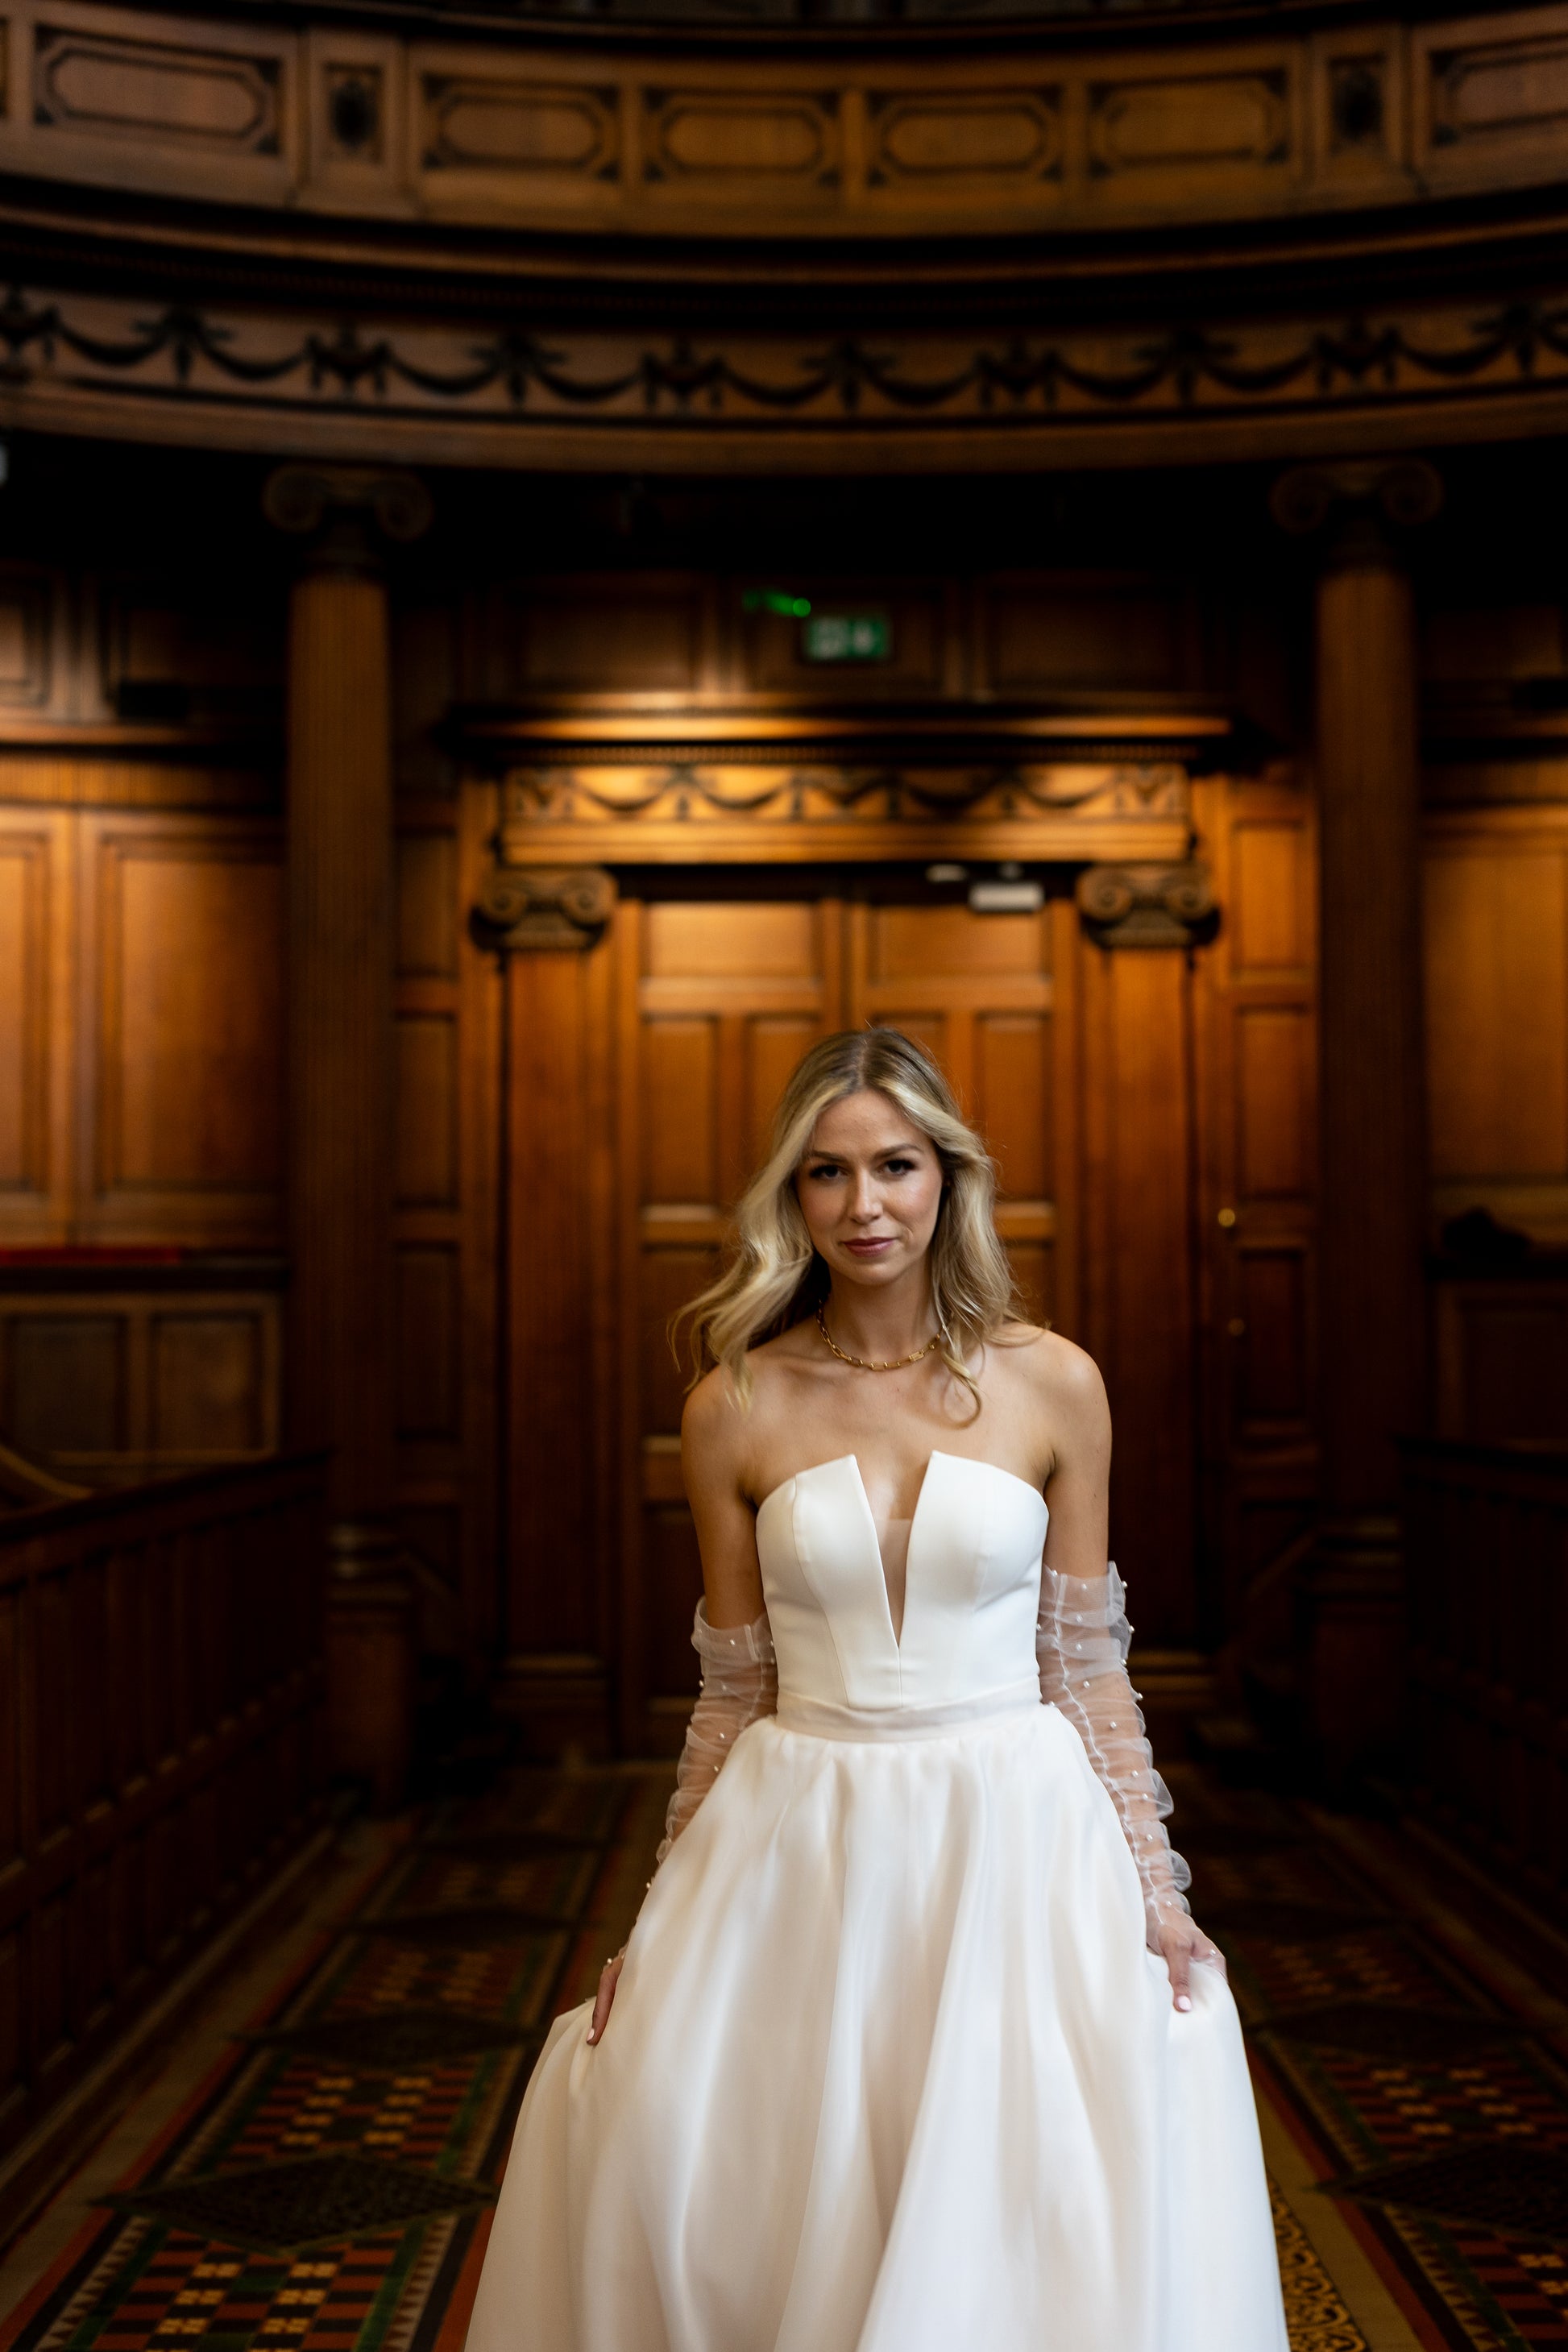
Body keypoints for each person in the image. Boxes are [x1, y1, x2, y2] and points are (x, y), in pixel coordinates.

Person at [466, 1026, 1288, 2352]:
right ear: (789, 1198)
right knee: (727, 2151)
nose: (865, 1206)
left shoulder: (1053, 1383)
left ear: (946, 1179)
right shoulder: (733, 1404)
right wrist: (658, 1916)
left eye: (895, 1166)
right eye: (826, 1174)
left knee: (1017, 2184)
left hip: (1013, 1833)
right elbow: (730, 1688)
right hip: (804, 1835)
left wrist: (1156, 1888)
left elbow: (1084, 1662)